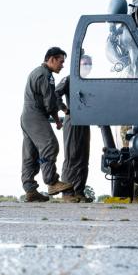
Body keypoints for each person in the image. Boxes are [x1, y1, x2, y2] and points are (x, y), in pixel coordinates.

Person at [21, 47, 72, 202]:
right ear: (51, 59)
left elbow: (52, 99)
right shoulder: (46, 75)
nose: (62, 66)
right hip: (36, 115)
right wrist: (57, 120)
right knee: (50, 145)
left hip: (26, 117)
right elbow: (49, 102)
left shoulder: (36, 72)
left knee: (31, 154)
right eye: (61, 62)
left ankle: (30, 190)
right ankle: (52, 182)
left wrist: (64, 109)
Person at [55, 54, 93, 203]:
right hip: (73, 121)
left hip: (85, 122)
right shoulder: (70, 79)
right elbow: (55, 94)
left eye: (89, 64)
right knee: (72, 156)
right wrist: (64, 109)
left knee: (83, 157)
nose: (87, 66)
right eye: (85, 63)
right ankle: (67, 193)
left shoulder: (89, 82)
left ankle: (79, 191)